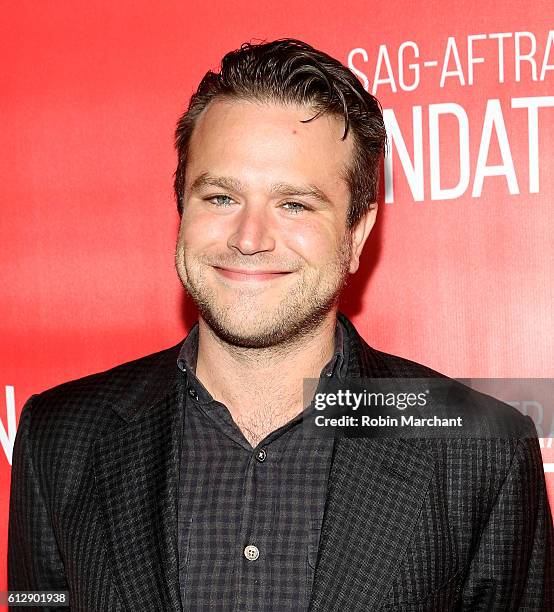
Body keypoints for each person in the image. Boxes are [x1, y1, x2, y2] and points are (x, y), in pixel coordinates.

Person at [8, 38, 552, 612]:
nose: (249, 238)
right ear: (181, 210)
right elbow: (32, 601)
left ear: (356, 234)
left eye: (294, 204)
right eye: (220, 197)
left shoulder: (480, 447)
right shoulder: (59, 436)